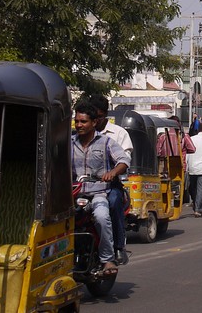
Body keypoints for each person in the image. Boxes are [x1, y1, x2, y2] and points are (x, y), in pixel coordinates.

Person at [71, 102, 130, 276]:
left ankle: (107, 259)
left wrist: (112, 172)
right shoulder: (69, 142)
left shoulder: (106, 143)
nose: (79, 125)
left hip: (98, 194)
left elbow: (124, 161)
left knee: (102, 217)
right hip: (74, 195)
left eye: (83, 122)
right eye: (77, 121)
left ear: (94, 123)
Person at [89, 96, 131, 266]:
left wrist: (112, 172)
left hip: (108, 186)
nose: (94, 121)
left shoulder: (118, 134)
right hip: (84, 186)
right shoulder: (80, 135)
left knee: (113, 202)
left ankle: (119, 247)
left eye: (97, 117)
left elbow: (125, 160)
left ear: (104, 115)